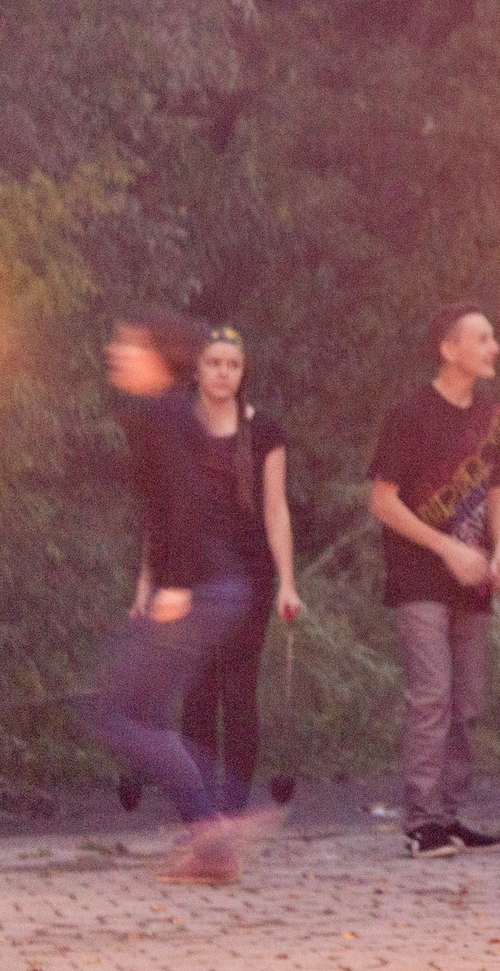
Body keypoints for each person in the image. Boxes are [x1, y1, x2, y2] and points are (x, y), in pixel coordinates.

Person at [86, 308, 280, 886]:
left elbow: (184, 501)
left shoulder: (163, 414)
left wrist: (171, 586)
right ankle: (212, 839)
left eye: (129, 343)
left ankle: (213, 830)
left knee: (115, 712)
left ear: (159, 358)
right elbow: (163, 508)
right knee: (137, 714)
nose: (116, 352)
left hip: (203, 587)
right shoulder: (160, 412)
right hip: (209, 585)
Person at [370, 303, 500, 858]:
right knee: (431, 696)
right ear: (449, 349)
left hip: (472, 577)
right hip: (419, 575)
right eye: (483, 338)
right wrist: (447, 547)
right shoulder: (409, 415)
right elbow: (382, 502)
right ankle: (421, 820)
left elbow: (498, 491)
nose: (494, 347)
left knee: (468, 702)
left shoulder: (491, 418)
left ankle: (450, 814)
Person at [175, 327, 304, 817]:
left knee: (238, 688)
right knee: (198, 689)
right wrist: (147, 584)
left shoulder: (264, 432)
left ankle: (233, 808)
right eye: (214, 363)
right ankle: (200, 809)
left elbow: (276, 510)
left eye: (232, 364)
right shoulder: (180, 429)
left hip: (249, 574)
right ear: (198, 369)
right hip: (192, 572)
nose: (223, 372)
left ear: (242, 371)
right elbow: (163, 512)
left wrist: (287, 582)